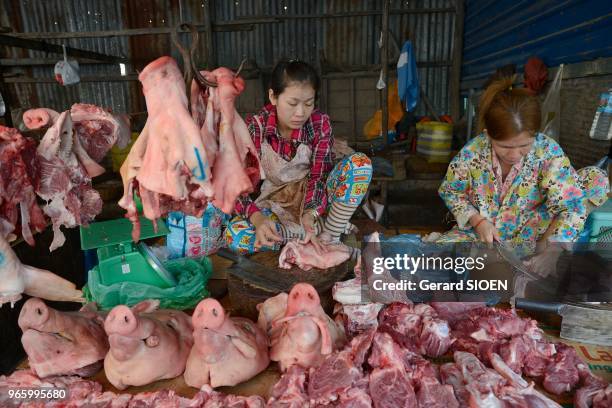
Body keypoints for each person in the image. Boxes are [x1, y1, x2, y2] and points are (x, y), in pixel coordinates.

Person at [436, 76, 607, 276]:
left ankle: (538, 253)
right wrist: (478, 221)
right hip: (485, 235)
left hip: (532, 231)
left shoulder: (547, 152)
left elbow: (571, 206)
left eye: (524, 146)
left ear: (535, 135)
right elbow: (451, 191)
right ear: (488, 134)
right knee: (438, 257)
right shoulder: (472, 152)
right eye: (505, 147)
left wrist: (552, 251)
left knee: (594, 180)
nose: (514, 155)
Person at [225, 59, 372, 254]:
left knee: (360, 164)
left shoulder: (319, 124)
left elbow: (319, 176)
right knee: (236, 236)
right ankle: (309, 236)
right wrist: (258, 219)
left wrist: (310, 214)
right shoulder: (256, 128)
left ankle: (328, 236)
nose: (301, 112)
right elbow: (236, 183)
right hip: (275, 203)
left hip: (313, 203)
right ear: (273, 96)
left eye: (308, 103)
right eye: (292, 103)